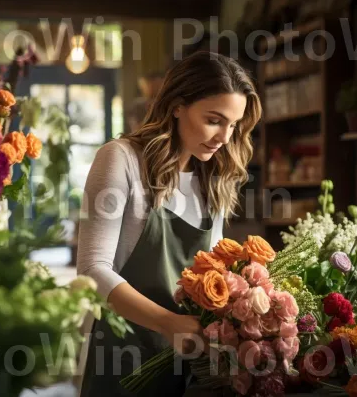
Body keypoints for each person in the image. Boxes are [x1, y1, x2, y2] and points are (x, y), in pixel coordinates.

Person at [76, 51, 262, 397]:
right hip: (124, 358)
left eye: (233, 124)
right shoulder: (121, 159)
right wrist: (167, 323)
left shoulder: (214, 176)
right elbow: (91, 271)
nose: (224, 136)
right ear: (177, 106)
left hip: (188, 363)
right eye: (214, 120)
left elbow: (211, 274)